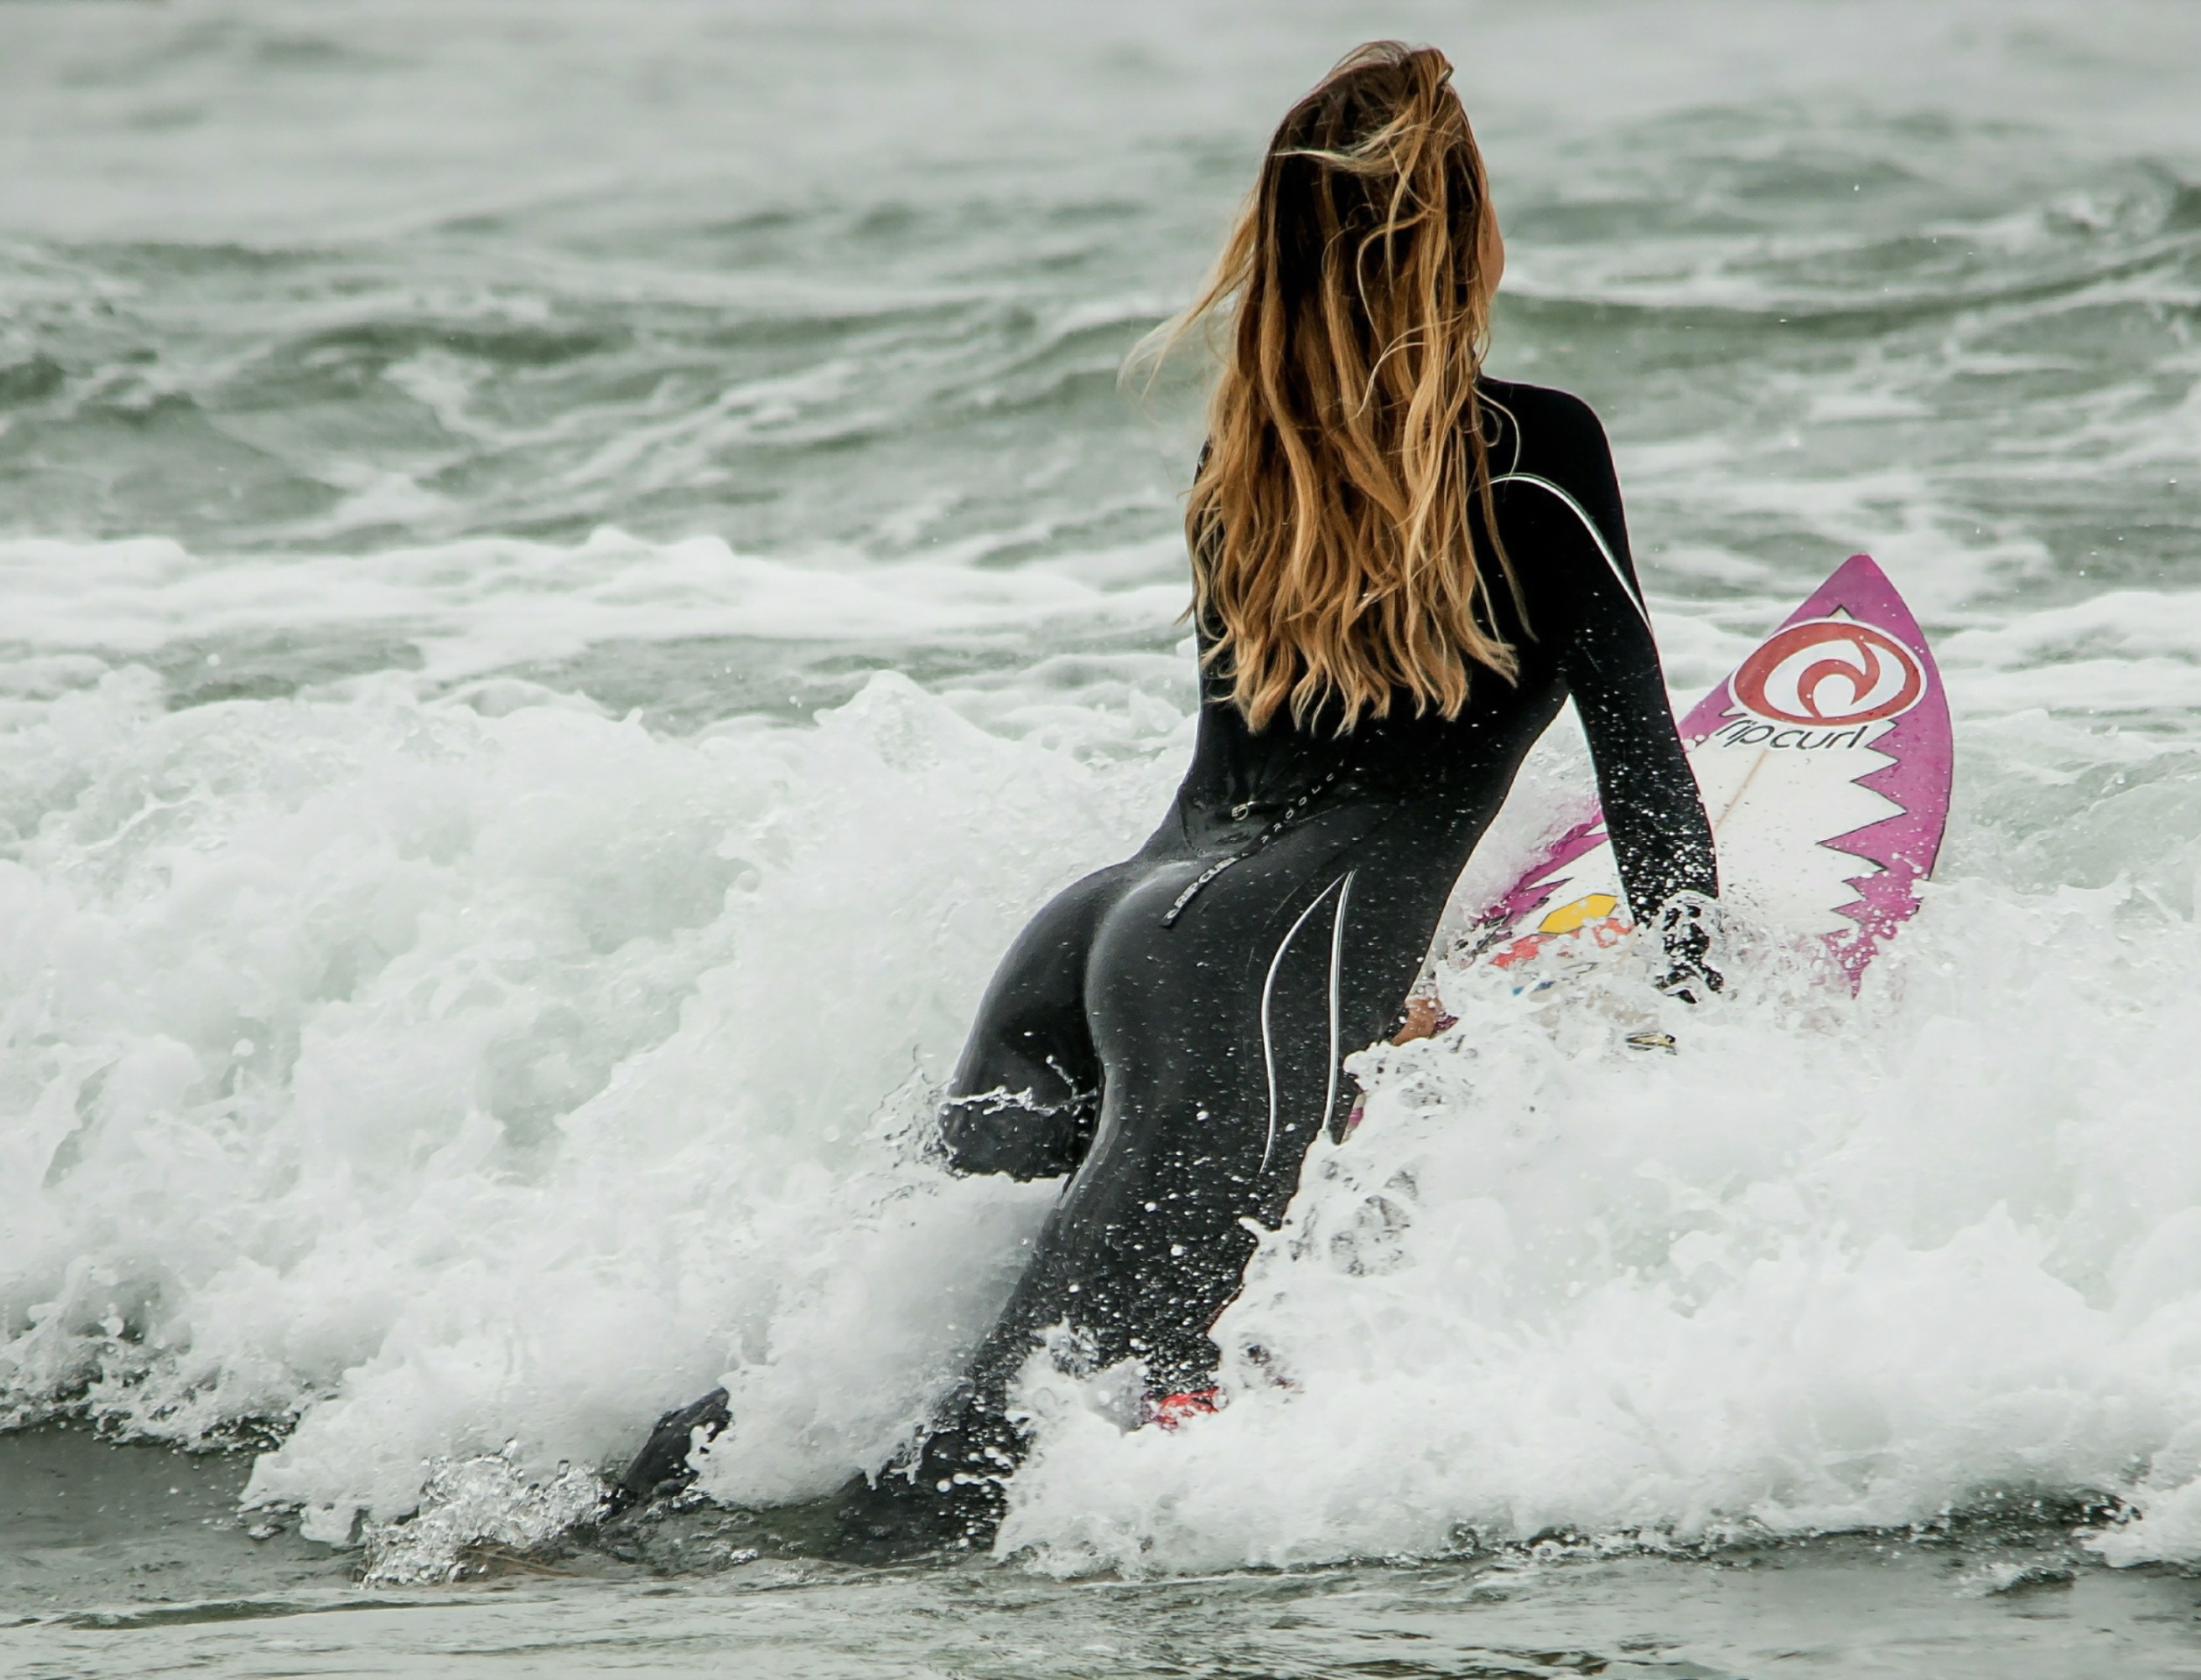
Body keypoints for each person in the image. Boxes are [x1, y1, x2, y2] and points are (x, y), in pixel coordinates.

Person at [614, 38, 1720, 1553]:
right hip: (1259, 960)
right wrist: (1713, 1028)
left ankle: (574, 1537)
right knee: (1000, 1447)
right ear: (1467, 234)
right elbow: (1646, 780)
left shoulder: (1243, 465)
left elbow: (1241, 778)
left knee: (847, 1356)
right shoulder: (1540, 454)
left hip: (1098, 934)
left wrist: (1358, 994)